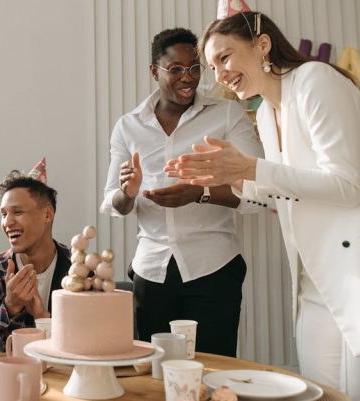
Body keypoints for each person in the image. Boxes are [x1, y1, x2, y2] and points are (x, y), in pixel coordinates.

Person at [171, 11, 360, 400]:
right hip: (318, 281)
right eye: (212, 66)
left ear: (262, 45)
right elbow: (286, 189)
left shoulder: (316, 82)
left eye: (224, 57)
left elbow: (346, 185)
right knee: (320, 394)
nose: (219, 74)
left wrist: (249, 166)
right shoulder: (269, 113)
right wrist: (229, 178)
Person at [100, 27, 263, 357]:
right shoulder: (128, 126)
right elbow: (112, 202)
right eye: (175, 69)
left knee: (212, 369)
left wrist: (198, 192)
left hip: (213, 269)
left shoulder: (227, 115)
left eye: (194, 68)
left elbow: (258, 194)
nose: (188, 78)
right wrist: (128, 192)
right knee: (156, 373)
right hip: (151, 273)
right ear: (154, 71)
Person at [0, 168, 70, 354]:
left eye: (17, 212)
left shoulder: (79, 271)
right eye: (3, 214)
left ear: (48, 215)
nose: (7, 223)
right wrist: (10, 306)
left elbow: (89, 347)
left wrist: (43, 317)